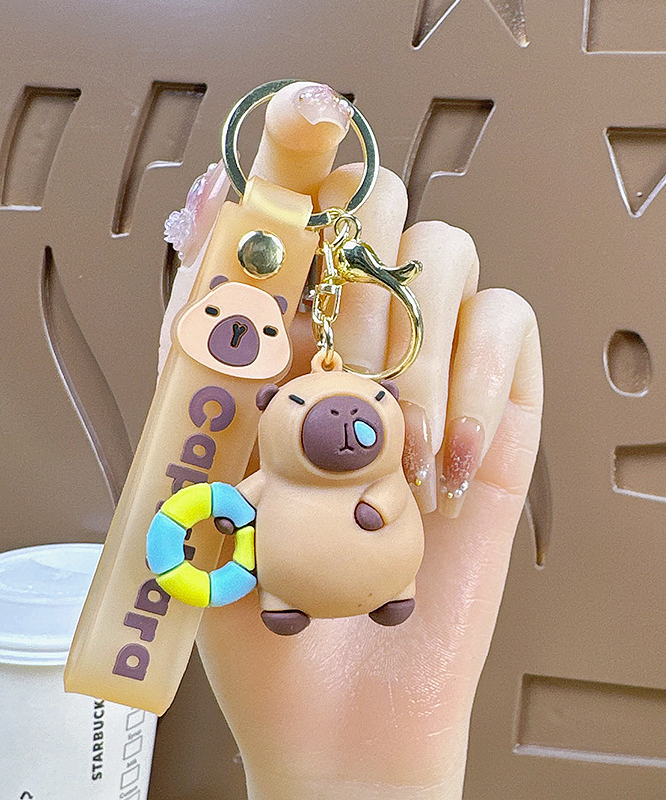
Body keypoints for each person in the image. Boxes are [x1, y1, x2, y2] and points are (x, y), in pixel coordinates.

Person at [161, 81, 542, 800]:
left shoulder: (382, 477)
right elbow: (235, 501)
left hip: (382, 573)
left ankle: (388, 592)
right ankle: (290, 601)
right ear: (270, 406)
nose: (341, 425)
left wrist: (379, 507)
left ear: (391, 405)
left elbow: (375, 503)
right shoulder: (268, 472)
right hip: (283, 582)